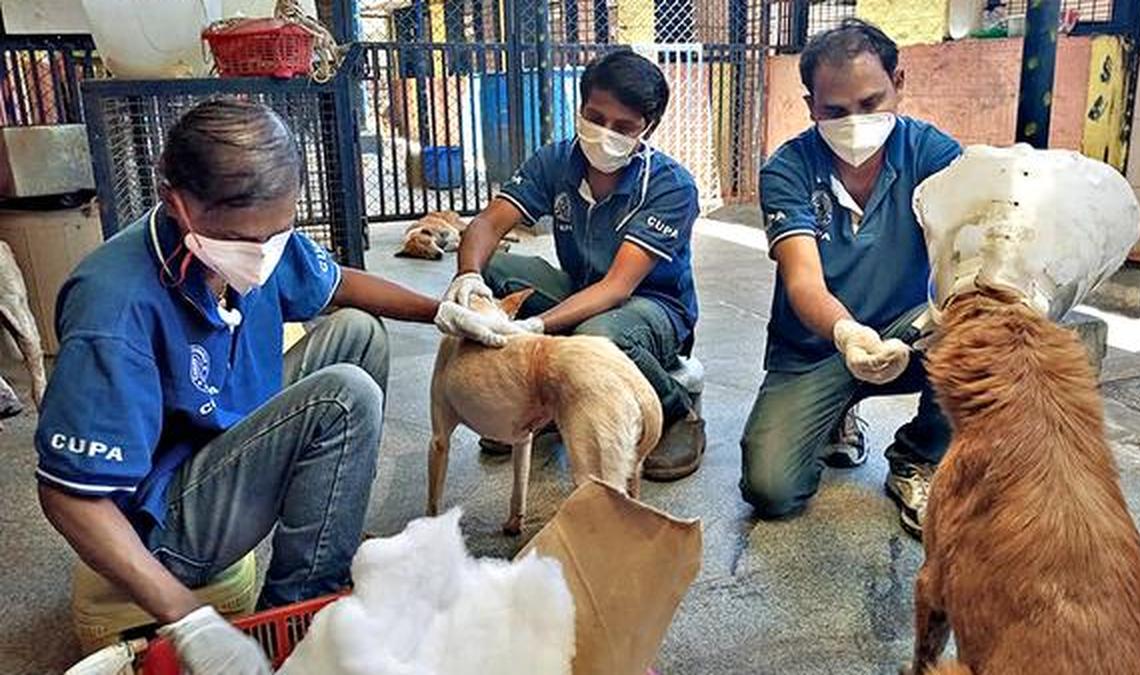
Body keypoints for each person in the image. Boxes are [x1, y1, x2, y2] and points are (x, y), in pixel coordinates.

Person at [34, 100, 512, 673]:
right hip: (162, 521)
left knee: (357, 335)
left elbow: (340, 285)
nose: (264, 253)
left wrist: (442, 311)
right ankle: (296, 622)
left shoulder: (249, 243)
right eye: (246, 237)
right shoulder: (114, 308)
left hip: (216, 439)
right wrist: (189, 617)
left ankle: (321, 548)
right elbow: (67, 495)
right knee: (344, 396)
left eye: (279, 231)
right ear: (179, 204)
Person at [739, 19, 962, 539]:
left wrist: (934, 323)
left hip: (911, 333)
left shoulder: (935, 157)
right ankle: (834, 410)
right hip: (819, 345)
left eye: (870, 103)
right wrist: (846, 333)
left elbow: (968, 263)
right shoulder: (788, 169)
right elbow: (804, 283)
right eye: (835, 111)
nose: (855, 122)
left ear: (899, 83)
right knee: (770, 488)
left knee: (974, 322)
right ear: (810, 104)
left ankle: (921, 457)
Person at [445, 50, 706, 480]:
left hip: (651, 309)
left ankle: (677, 413)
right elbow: (488, 225)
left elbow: (618, 288)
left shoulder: (670, 186)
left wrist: (536, 325)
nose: (605, 134)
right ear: (579, 108)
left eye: (624, 128)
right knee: (493, 274)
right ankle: (547, 404)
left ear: (649, 129)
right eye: (595, 117)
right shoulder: (556, 160)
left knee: (598, 334)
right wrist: (467, 276)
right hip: (581, 288)